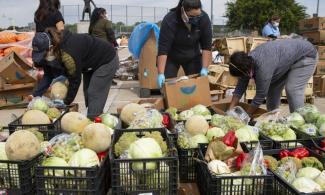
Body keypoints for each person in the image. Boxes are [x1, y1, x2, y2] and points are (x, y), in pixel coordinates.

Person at [31, 28, 119, 119]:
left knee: (94, 93)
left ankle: (94, 122)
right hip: (90, 63)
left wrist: (66, 102)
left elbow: (75, 80)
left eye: (43, 55)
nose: (43, 58)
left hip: (106, 59)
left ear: (51, 48)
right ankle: (96, 116)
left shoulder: (68, 53)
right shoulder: (50, 49)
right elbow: (48, 75)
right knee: (88, 93)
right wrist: (35, 95)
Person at [228, 39, 317, 116]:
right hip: (285, 59)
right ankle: (272, 119)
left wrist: (247, 115)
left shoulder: (263, 68)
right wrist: (230, 110)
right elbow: (240, 88)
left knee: (292, 89)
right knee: (272, 90)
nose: (242, 78)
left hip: (305, 56)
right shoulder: (245, 63)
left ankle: (299, 123)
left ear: (246, 71)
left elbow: (260, 96)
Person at [156, 0, 212, 88]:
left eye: (198, 16)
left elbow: (207, 46)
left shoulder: (204, 18)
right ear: (183, 12)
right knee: (168, 85)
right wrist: (161, 73)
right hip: (172, 56)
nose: (196, 19)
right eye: (192, 17)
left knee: (197, 85)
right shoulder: (170, 20)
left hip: (193, 55)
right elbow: (163, 49)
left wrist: (204, 68)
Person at [31, 0, 65, 100]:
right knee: (59, 76)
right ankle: (59, 99)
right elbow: (62, 33)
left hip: (42, 50)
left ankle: (35, 95)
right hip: (54, 49)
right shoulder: (56, 13)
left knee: (48, 75)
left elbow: (36, 33)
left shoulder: (38, 14)